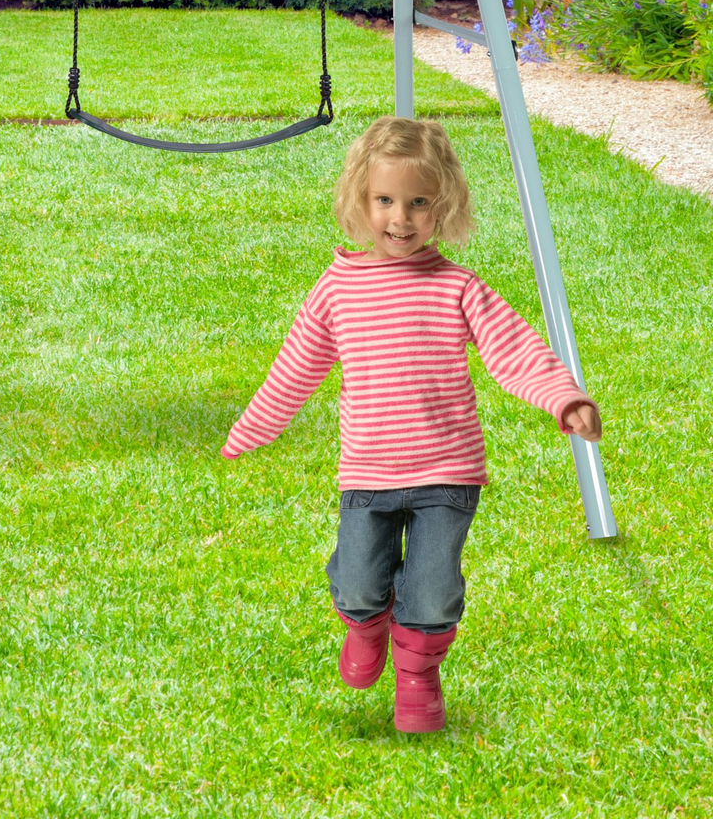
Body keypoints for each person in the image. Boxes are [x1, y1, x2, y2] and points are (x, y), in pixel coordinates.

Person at [220, 117, 602, 734]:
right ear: (359, 200)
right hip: (368, 475)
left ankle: (419, 674)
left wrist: (564, 398)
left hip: (448, 474)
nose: (401, 218)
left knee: (430, 591)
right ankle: (366, 626)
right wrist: (251, 429)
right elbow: (296, 368)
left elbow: (516, 350)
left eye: (418, 203)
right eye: (385, 201)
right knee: (358, 585)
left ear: (442, 205)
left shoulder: (457, 287)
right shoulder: (338, 289)